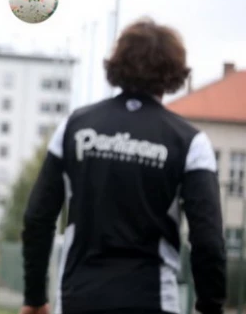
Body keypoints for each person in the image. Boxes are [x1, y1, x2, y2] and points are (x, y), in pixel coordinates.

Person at [19, 18, 226, 314]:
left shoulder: (74, 127)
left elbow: (37, 218)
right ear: (174, 71)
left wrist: (35, 297)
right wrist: (211, 307)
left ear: (117, 63)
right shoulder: (190, 142)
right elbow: (208, 241)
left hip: (79, 299)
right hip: (152, 301)